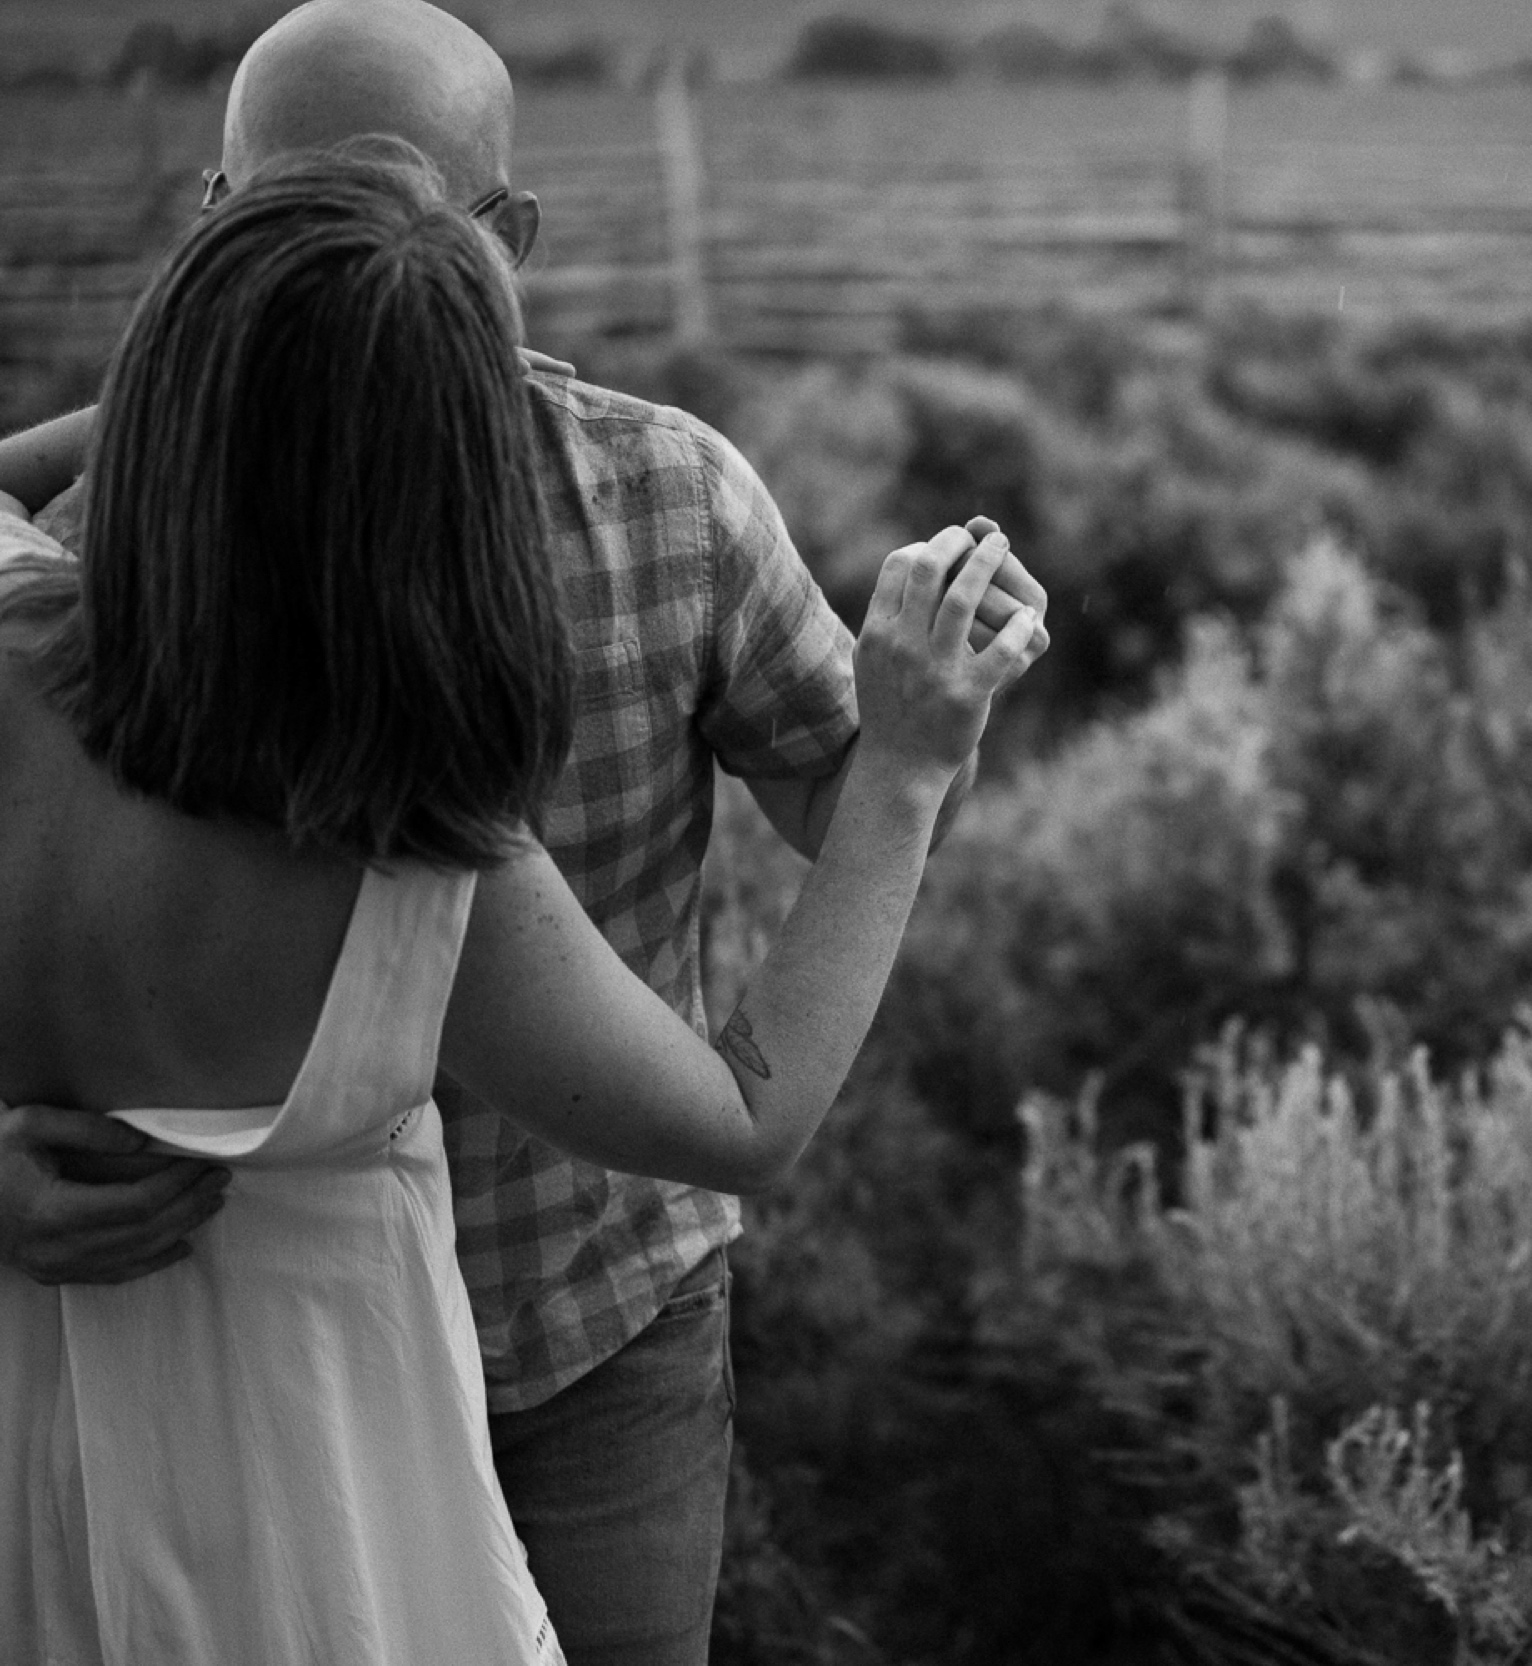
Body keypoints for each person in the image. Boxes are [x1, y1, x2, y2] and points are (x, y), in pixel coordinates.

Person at [0, 5, 1050, 1659]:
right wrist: (922, 752)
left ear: (507, 241)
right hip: (287, 1369)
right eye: (295, 216)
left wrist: (210, 372)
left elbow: (824, 790)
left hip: (536, 1332)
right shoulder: (424, 849)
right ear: (211, 222)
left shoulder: (40, 593)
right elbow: (752, 1109)